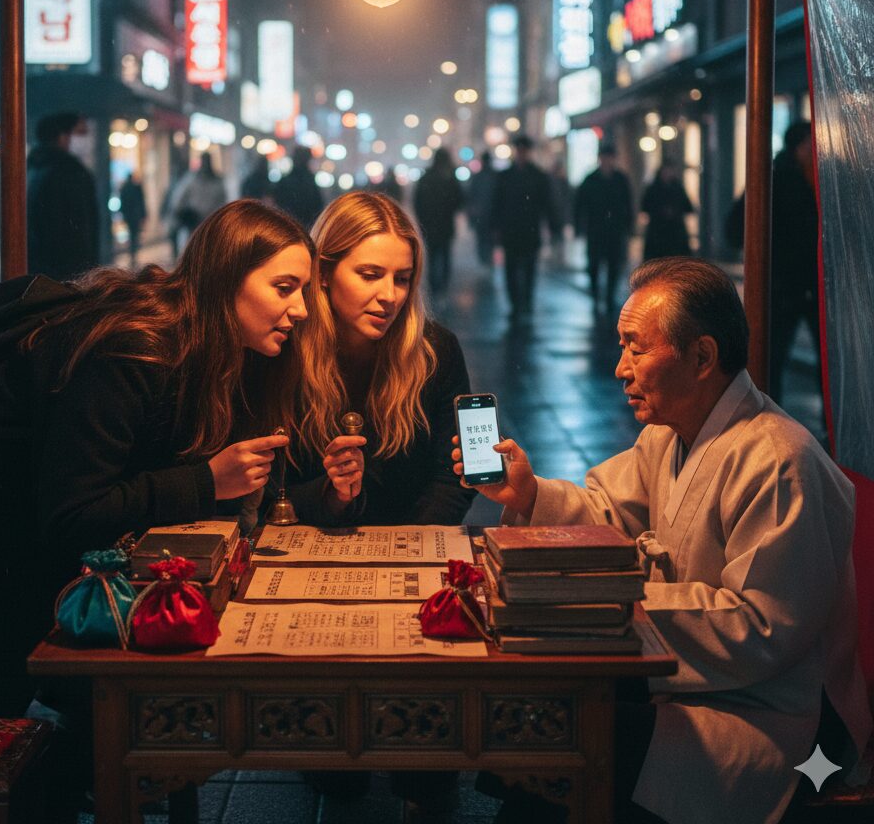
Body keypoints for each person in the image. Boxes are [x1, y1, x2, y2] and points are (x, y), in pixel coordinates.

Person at [0, 200, 313, 718]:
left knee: (76, 736)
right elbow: (74, 512)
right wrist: (206, 481)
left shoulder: (205, 349)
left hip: (10, 554)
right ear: (226, 277)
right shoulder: (134, 349)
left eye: (304, 291)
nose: (301, 309)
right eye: (284, 287)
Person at [455, 257, 870, 824]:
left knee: (563, 737)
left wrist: (622, 607)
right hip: (687, 684)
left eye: (636, 347)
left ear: (702, 356)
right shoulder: (668, 436)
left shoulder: (778, 460)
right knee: (540, 714)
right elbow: (605, 513)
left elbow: (760, 628)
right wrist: (529, 497)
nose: (620, 367)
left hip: (771, 721)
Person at [285, 190, 474, 816]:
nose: (388, 295)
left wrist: (412, 543)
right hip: (314, 551)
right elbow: (269, 489)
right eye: (369, 274)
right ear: (323, 269)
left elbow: (456, 473)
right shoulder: (287, 349)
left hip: (416, 548)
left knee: (425, 765)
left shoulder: (434, 348)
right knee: (335, 775)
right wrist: (334, 498)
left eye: (402, 278)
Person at [724, 121, 821, 406]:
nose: (813, 149)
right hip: (785, 284)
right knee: (771, 357)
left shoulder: (812, 177)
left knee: (786, 357)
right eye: (809, 144)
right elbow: (735, 228)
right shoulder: (776, 177)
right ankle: (768, 416)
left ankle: (828, 423)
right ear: (799, 147)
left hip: (807, 284)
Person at [27, 112, 100, 280]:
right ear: (62, 136)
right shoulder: (69, 172)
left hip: (39, 272)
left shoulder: (33, 167)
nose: (86, 139)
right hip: (67, 275)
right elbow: (78, 232)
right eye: (81, 133)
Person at [492, 134, 556, 321]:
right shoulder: (506, 176)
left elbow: (546, 204)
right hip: (512, 230)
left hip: (529, 230)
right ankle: (515, 304)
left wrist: (552, 226)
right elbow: (497, 204)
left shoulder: (537, 176)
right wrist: (496, 227)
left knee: (529, 268)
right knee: (511, 269)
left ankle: (526, 302)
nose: (521, 154)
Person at [574, 139, 632, 319]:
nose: (607, 161)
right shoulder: (590, 179)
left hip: (614, 231)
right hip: (596, 230)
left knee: (614, 265)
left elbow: (627, 205)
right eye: (604, 157)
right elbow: (580, 205)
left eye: (609, 158)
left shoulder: (620, 179)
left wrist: (628, 227)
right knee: (594, 265)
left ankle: (608, 298)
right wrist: (579, 227)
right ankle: (596, 295)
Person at [413, 148, 465, 298]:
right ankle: (442, 286)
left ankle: (434, 286)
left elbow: (418, 202)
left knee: (433, 255)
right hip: (445, 224)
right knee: (445, 254)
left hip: (429, 224)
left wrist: (422, 219)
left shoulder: (427, 177)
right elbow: (459, 200)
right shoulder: (449, 178)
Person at [168, 154, 228, 252]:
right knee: (194, 248)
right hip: (194, 221)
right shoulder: (191, 179)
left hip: (211, 222)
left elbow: (222, 201)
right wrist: (181, 212)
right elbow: (179, 198)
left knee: (209, 249)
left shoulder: (217, 181)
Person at [640, 162, 694, 262]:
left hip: (674, 232)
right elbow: (646, 206)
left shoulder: (678, 188)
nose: (667, 174)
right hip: (658, 232)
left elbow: (687, 207)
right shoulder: (653, 189)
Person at [273, 145, 324, 229]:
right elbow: (318, 206)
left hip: (286, 226)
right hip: (306, 228)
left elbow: (277, 203)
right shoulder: (310, 182)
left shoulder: (285, 181)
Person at [466, 150, 497, 270]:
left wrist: (472, 217)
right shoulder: (495, 176)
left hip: (481, 215)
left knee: (482, 238)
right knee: (489, 239)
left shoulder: (478, 177)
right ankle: (488, 259)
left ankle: (484, 258)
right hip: (492, 214)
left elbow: (471, 196)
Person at [118, 171, 147, 266]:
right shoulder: (136, 187)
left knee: (131, 235)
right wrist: (144, 215)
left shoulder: (124, 188)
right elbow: (141, 202)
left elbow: (122, 203)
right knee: (135, 235)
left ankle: (132, 254)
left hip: (129, 216)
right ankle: (133, 254)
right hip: (135, 216)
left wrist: (123, 215)